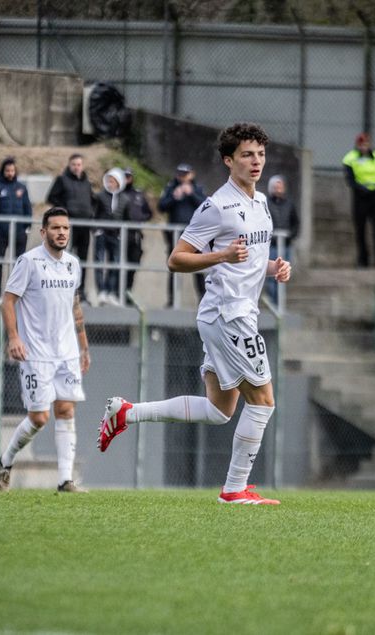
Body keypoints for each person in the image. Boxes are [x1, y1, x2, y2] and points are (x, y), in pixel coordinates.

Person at [98, 122, 292, 505]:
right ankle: (234, 489)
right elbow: (176, 259)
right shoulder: (217, 206)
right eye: (247, 155)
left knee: (220, 410)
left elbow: (248, 259)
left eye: (260, 154)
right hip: (228, 314)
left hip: (235, 313)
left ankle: (126, 413)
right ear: (228, 160)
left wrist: (273, 268)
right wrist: (221, 255)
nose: (256, 161)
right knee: (263, 400)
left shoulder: (260, 202)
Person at [0, 207, 91, 493]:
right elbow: (8, 301)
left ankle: (65, 480)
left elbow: (75, 305)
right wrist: (14, 338)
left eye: (65, 228)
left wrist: (84, 346)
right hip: (36, 353)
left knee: (66, 410)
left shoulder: (73, 264)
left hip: (67, 351)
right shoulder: (29, 262)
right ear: (43, 231)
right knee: (39, 418)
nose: (61, 233)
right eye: (55, 228)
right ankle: (6, 459)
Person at [46, 153, 96, 301]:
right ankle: (64, 289)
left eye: (79, 164)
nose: (76, 167)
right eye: (74, 164)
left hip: (85, 225)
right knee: (65, 257)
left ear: (82, 166)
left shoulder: (87, 183)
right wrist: (65, 211)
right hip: (69, 226)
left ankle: (80, 290)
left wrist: (91, 213)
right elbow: (51, 197)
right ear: (69, 165)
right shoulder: (62, 180)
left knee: (83, 259)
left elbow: (92, 200)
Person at [159, 163, 206, 306]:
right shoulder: (170, 187)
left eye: (185, 174)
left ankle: (203, 300)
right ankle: (172, 300)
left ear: (192, 174)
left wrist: (191, 194)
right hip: (175, 236)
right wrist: (174, 196)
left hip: (195, 236)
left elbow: (206, 206)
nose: (182, 177)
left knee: (198, 267)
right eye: (180, 174)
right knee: (174, 266)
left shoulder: (198, 188)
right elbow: (161, 206)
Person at [0, 157, 32, 295]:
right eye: (7, 171)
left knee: (19, 263)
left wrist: (27, 226)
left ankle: (15, 291)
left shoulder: (21, 188)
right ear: (3, 171)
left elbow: (27, 208)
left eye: (12, 170)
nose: (10, 173)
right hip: (2, 232)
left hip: (19, 232)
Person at [342, 132, 375, 268]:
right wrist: (362, 189)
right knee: (360, 230)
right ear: (357, 145)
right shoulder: (350, 158)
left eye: (366, 144)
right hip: (359, 197)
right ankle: (363, 261)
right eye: (361, 144)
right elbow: (350, 179)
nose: (364, 147)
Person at [94, 167, 127, 306]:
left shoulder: (124, 199)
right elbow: (94, 213)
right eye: (108, 180)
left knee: (115, 263)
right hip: (102, 234)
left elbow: (126, 217)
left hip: (116, 236)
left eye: (113, 181)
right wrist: (96, 230)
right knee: (99, 262)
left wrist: (121, 233)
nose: (110, 183)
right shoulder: (100, 196)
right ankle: (101, 291)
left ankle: (111, 291)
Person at [265, 174, 299, 305]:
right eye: (276, 187)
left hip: (286, 245)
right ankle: (273, 303)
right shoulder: (266, 204)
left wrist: (291, 235)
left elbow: (295, 223)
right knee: (271, 274)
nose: (278, 190)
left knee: (283, 273)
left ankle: (280, 303)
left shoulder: (289, 204)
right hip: (272, 245)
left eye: (280, 187)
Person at [122, 167, 153, 301]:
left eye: (128, 176)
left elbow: (149, 213)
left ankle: (128, 293)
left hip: (135, 236)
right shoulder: (117, 193)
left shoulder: (138, 194)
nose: (126, 179)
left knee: (133, 266)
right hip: (120, 236)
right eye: (124, 176)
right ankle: (118, 294)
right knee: (118, 266)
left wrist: (140, 219)